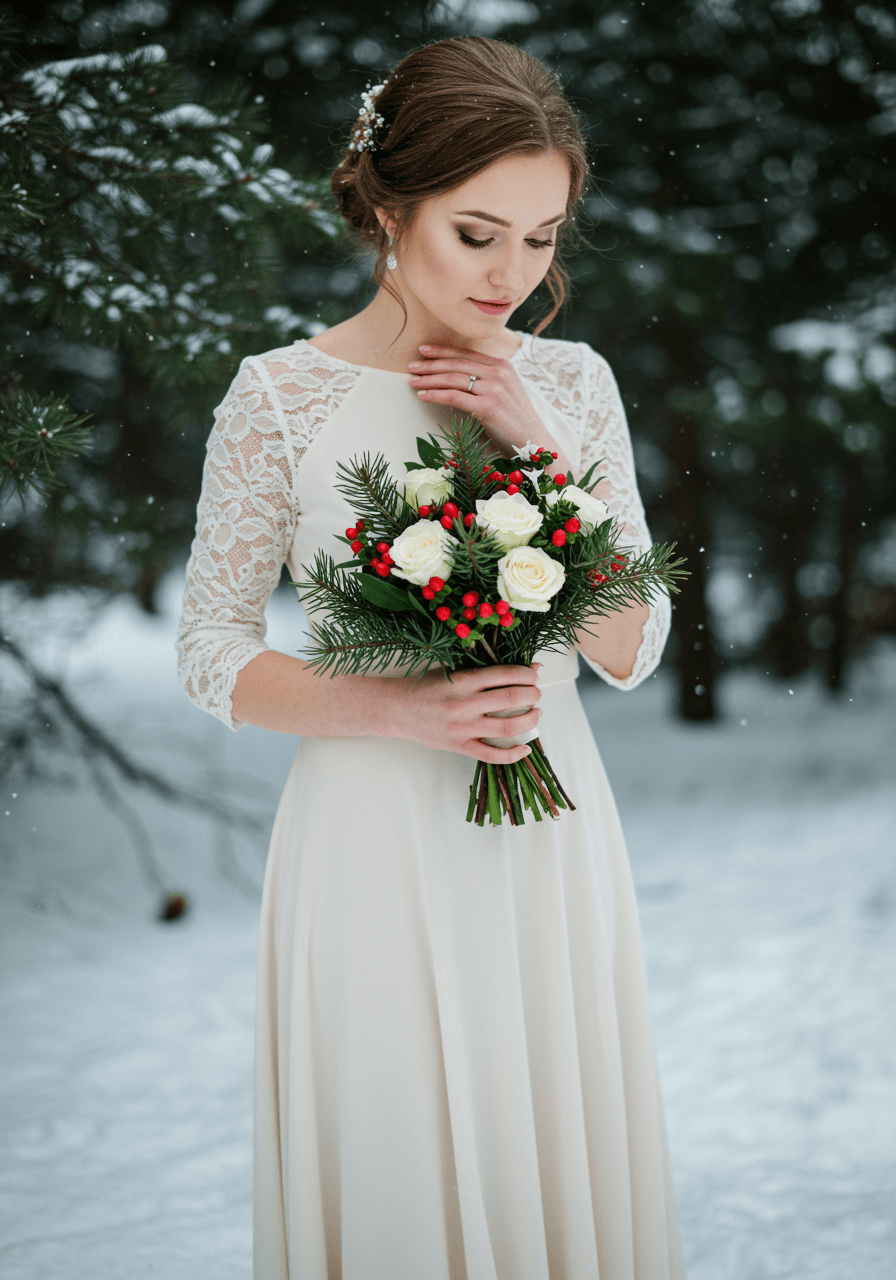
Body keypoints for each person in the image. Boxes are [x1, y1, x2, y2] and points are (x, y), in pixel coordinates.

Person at [177, 35, 685, 1280]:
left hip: (545, 826)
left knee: (549, 1148)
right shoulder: (277, 397)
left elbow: (627, 645)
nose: (513, 271)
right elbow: (208, 651)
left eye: (542, 235)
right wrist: (398, 712)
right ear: (387, 203)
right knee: (394, 1143)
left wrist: (535, 447)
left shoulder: (571, 380)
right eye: (477, 232)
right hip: (369, 836)